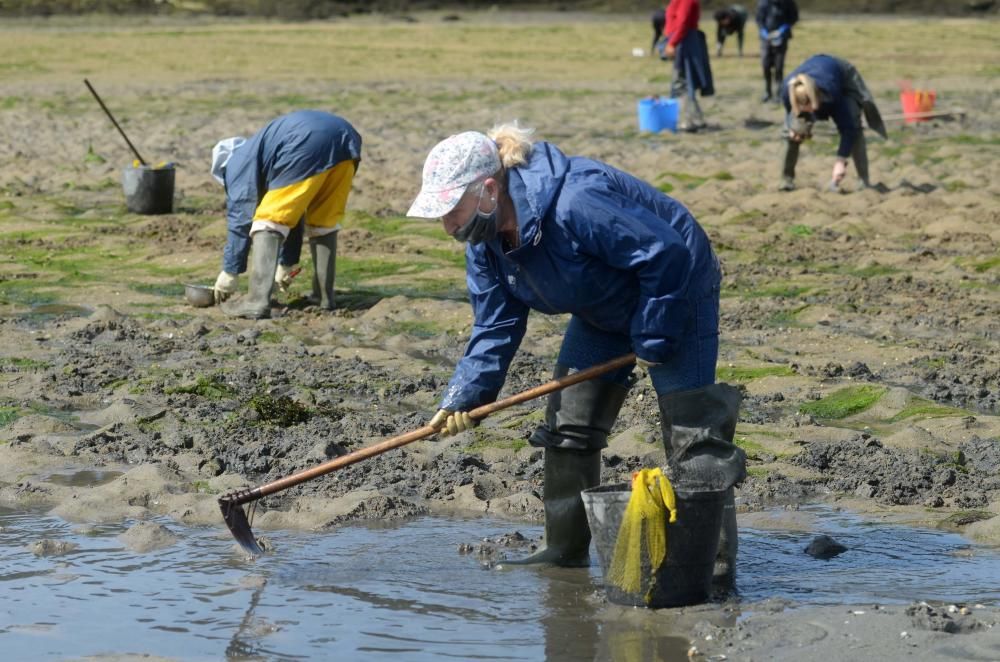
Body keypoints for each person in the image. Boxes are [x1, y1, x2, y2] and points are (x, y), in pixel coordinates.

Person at [406, 125, 746, 584]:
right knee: (569, 423)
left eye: (451, 209)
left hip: (676, 285)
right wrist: (463, 398)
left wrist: (653, 336)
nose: (448, 225)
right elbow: (495, 325)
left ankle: (713, 570)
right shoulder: (485, 244)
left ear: (488, 190)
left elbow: (665, 255)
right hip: (600, 304)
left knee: (693, 433)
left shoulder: (575, 201)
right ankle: (564, 550)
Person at [210, 110, 362, 319]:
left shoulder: (237, 163)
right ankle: (324, 298)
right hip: (346, 139)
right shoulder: (265, 153)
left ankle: (256, 301)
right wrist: (286, 263)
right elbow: (293, 213)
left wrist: (230, 271)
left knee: (269, 218)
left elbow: (241, 220)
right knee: (323, 222)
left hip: (306, 141)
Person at [779, 54, 887, 192]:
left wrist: (840, 161)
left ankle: (864, 181)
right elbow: (791, 115)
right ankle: (786, 180)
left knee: (854, 122)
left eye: (812, 108)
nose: (810, 112)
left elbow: (848, 129)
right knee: (791, 132)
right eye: (806, 110)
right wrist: (793, 129)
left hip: (843, 75)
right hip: (817, 71)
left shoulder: (831, 93)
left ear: (817, 98)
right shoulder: (787, 91)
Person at [662, 0, 714, 132]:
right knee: (683, 82)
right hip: (680, 40)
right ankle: (697, 119)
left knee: (682, 83)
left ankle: (690, 120)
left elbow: (683, 23)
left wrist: (672, 43)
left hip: (684, 43)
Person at [755, 0, 799, 103]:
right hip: (766, 39)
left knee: (779, 67)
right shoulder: (763, 3)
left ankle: (779, 93)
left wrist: (784, 28)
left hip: (782, 38)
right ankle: (767, 92)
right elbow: (759, 19)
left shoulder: (788, 3)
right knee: (765, 65)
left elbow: (794, 17)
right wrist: (763, 31)